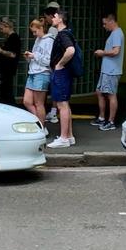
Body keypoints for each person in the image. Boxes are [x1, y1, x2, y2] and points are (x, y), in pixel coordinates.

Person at [47, 9, 78, 149]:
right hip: (65, 73)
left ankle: (64, 138)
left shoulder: (62, 34)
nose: (52, 18)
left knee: (62, 104)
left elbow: (70, 50)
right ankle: (69, 136)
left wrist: (60, 64)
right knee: (65, 103)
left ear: (60, 19)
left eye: (54, 16)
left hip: (61, 73)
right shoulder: (67, 33)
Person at [92, 12, 124, 131]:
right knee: (99, 91)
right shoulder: (115, 33)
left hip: (112, 70)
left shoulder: (116, 34)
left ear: (111, 21)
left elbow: (116, 51)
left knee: (111, 95)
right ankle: (101, 118)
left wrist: (102, 53)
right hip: (107, 69)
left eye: (105, 24)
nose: (104, 26)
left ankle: (111, 121)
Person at [23, 17, 54, 123]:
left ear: (41, 28)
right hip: (33, 71)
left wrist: (34, 56)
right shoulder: (38, 39)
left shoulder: (49, 41)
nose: (34, 34)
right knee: (27, 101)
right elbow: (36, 57)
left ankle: (42, 126)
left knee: (38, 103)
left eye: (35, 32)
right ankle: (39, 122)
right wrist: (29, 57)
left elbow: (48, 61)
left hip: (42, 73)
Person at [0, 18, 22, 106]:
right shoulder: (9, 37)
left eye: (2, 29)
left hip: (8, 69)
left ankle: (9, 107)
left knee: (7, 91)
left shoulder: (14, 38)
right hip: (5, 69)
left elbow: (13, 54)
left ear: (7, 27)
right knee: (4, 91)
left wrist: (1, 51)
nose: (1, 31)